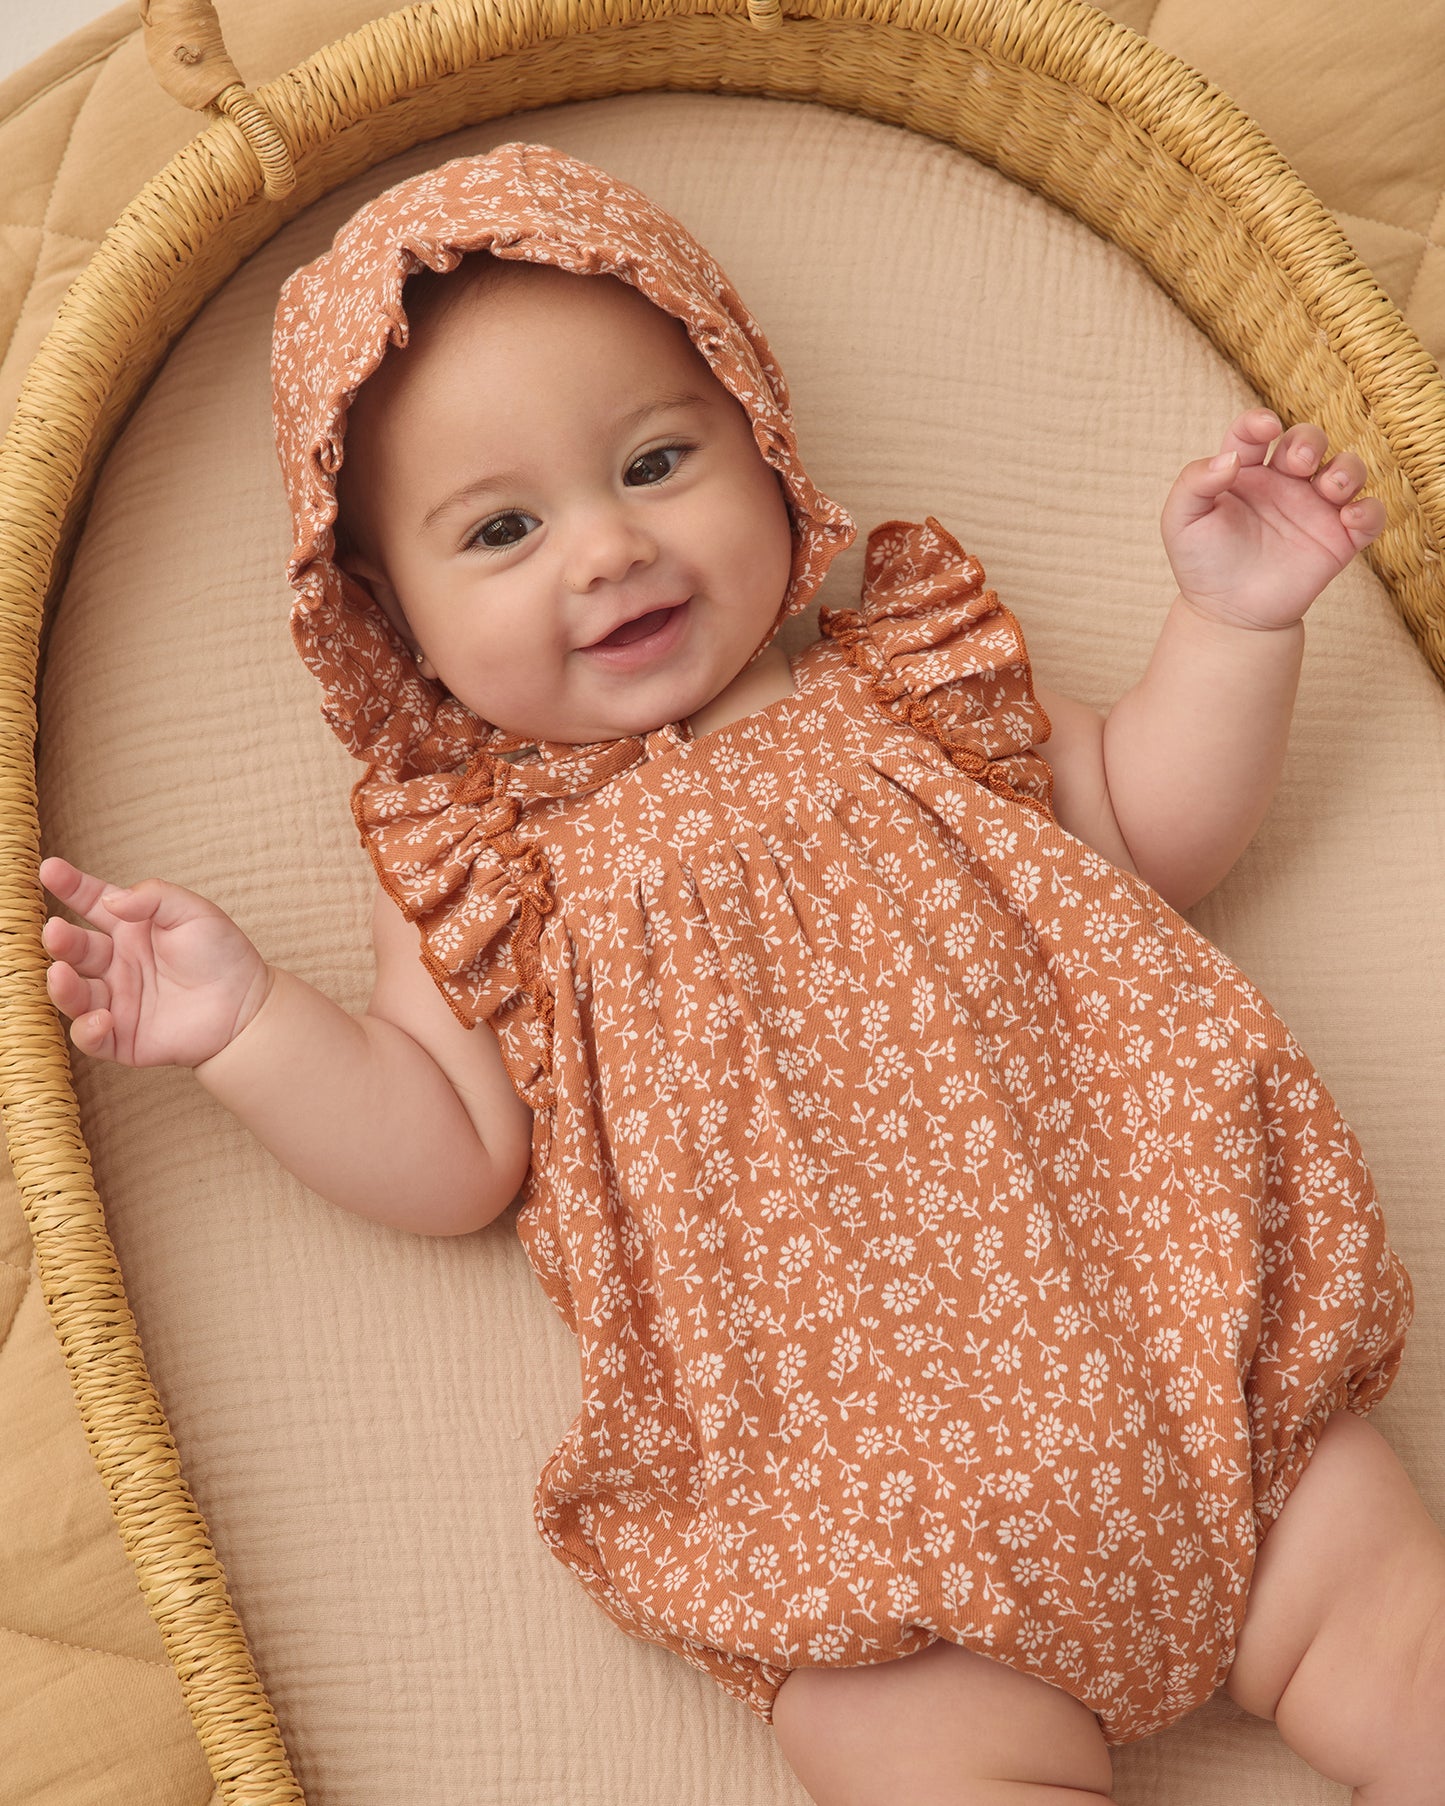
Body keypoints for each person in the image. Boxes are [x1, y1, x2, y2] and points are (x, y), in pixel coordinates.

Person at [39, 144, 1439, 1804]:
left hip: (1210, 1402)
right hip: (876, 1574)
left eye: (654, 459)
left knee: (1412, 1660)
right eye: (499, 528)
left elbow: (1141, 823)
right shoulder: (485, 866)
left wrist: (1231, 626)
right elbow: (450, 1151)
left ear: (765, 446)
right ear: (391, 625)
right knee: (879, 1751)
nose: (607, 549)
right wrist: (251, 1027)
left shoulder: (899, 677)